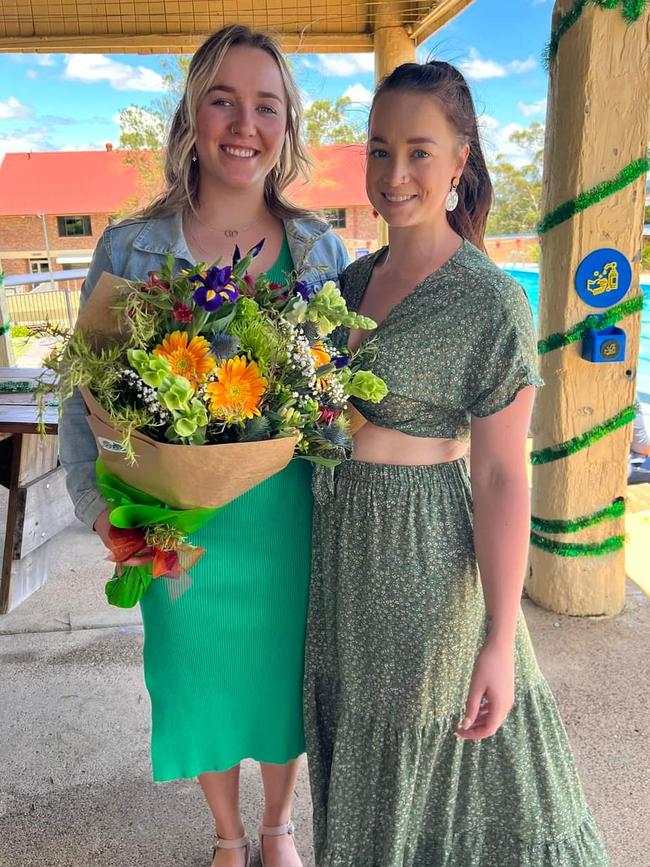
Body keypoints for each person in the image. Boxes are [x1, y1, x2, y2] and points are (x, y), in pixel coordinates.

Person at [304, 61, 608, 866]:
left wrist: (501, 639)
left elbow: (506, 476)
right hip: (343, 553)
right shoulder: (349, 282)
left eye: (419, 151)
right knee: (360, 741)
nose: (394, 173)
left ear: (461, 159)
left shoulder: (489, 299)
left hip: (424, 557)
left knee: (436, 756)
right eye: (378, 150)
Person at [59, 25, 347, 867]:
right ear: (192, 112)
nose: (242, 123)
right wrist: (108, 514)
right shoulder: (131, 246)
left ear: (288, 125)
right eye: (223, 99)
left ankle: (277, 827)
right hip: (175, 520)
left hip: (288, 519)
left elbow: (343, 397)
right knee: (197, 667)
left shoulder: (321, 250)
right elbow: (86, 403)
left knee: (279, 675)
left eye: (265, 105)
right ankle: (227, 833)